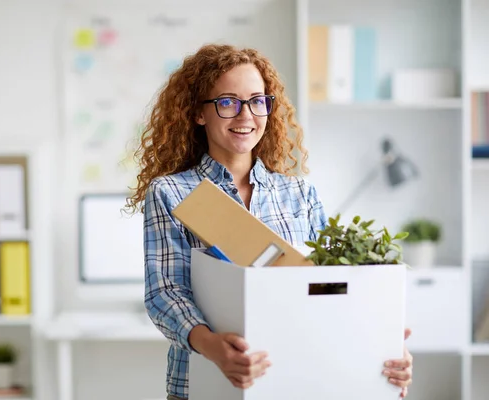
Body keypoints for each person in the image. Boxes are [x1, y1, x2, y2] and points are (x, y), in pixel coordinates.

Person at [125, 43, 413, 400]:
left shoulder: (299, 194)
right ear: (199, 113)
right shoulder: (172, 192)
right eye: (227, 102)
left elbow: (329, 287)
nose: (245, 116)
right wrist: (214, 348)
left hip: (296, 380)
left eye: (257, 101)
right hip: (204, 383)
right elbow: (165, 293)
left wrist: (381, 347)